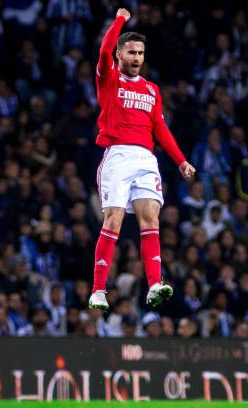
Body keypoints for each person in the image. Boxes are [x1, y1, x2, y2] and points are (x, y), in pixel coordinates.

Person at [89, 8, 196, 311]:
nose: (136, 58)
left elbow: (160, 127)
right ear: (120, 55)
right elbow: (103, 49)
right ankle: (98, 289)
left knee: (151, 219)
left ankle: (154, 285)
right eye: (131, 52)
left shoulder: (152, 89)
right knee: (114, 219)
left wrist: (180, 160)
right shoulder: (109, 79)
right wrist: (120, 19)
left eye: (140, 53)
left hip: (146, 159)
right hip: (118, 155)